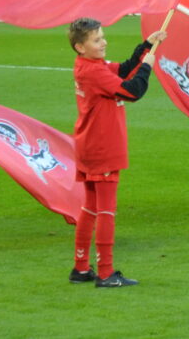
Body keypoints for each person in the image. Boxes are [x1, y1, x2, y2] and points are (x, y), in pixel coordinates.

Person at [68, 17, 167, 288]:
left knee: (89, 207)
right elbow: (132, 91)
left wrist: (146, 46)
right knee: (106, 211)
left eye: (102, 37)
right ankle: (105, 272)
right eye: (97, 40)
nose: (104, 42)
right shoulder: (94, 72)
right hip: (103, 147)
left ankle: (80, 267)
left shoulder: (89, 65)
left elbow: (123, 70)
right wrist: (147, 67)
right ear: (80, 47)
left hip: (89, 145)